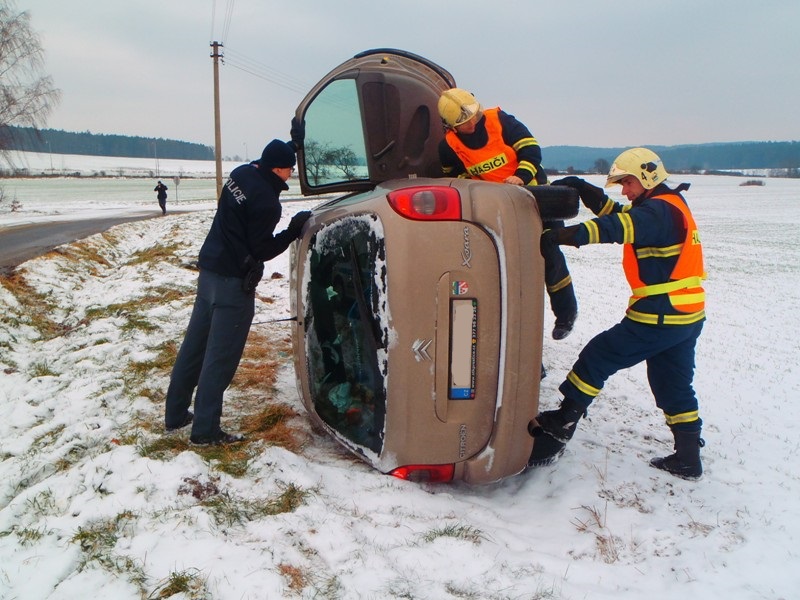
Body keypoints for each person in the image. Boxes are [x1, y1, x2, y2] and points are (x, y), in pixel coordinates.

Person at [528, 148, 706, 479]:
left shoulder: (656, 214)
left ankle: (561, 424)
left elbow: (617, 225)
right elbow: (622, 212)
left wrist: (564, 236)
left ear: (647, 177)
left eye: (627, 183)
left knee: (598, 357)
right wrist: (585, 190)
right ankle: (688, 457)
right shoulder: (668, 206)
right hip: (686, 315)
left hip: (660, 314)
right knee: (673, 384)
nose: (625, 191)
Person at [164, 138, 312, 445]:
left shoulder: (241, 174)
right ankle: (205, 431)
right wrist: (292, 231)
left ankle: (176, 414)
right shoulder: (268, 204)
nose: (291, 175)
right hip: (233, 286)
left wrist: (291, 143)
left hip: (209, 274)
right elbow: (261, 249)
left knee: (194, 347)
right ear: (277, 168)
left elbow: (269, 162)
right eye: (289, 169)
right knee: (220, 358)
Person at [437, 88, 578, 340]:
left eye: (473, 116)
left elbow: (532, 150)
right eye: (464, 123)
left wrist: (521, 177)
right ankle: (520, 336)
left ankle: (566, 315)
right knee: (507, 264)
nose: (472, 123)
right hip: (498, 205)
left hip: (535, 196)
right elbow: (452, 176)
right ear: (451, 127)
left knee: (550, 253)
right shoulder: (448, 145)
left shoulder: (501, 121)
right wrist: (475, 186)